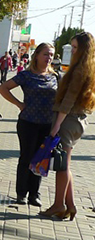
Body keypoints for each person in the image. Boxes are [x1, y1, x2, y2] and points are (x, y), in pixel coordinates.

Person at [40, 31, 95, 221]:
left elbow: (68, 100)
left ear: (83, 50)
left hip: (68, 119)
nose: (72, 51)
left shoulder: (79, 70)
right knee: (65, 164)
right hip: (77, 120)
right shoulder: (87, 68)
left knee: (62, 166)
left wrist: (56, 125)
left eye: (75, 48)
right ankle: (69, 205)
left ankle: (58, 204)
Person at [0, 42, 57, 207]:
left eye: (51, 55)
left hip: (47, 124)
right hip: (28, 122)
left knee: (41, 158)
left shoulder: (55, 76)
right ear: (36, 55)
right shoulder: (27, 75)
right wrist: (19, 104)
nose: (48, 58)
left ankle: (34, 194)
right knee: (27, 157)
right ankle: (21, 193)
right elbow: (3, 88)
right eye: (45, 54)